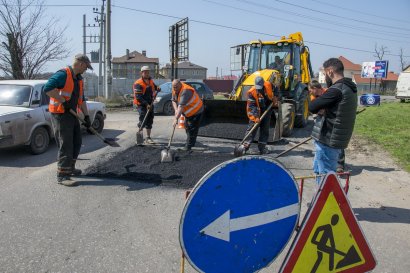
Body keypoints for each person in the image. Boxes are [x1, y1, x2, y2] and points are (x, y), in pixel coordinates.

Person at [45, 54, 93, 186]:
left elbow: (81, 99)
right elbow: (47, 88)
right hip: (60, 114)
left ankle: (70, 168)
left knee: (77, 141)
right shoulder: (63, 74)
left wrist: (87, 116)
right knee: (66, 144)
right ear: (81, 63)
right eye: (86, 67)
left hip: (72, 114)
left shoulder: (79, 79)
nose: (86, 69)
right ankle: (62, 175)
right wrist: (62, 101)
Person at [308, 58, 358, 183]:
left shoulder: (336, 90)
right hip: (335, 139)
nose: (325, 77)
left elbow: (312, 107)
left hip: (328, 140)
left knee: (326, 178)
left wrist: (322, 108)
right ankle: (320, 200)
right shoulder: (349, 87)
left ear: (330, 71)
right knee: (321, 173)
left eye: (325, 74)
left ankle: (324, 201)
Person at [243, 76, 276, 155]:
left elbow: (276, 89)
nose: (258, 88)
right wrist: (256, 117)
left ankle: (262, 147)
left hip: (267, 109)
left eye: (260, 87)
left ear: (263, 84)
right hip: (257, 111)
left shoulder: (268, 85)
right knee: (252, 128)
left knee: (265, 129)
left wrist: (276, 97)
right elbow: (252, 106)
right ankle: (245, 146)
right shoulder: (252, 92)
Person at [171, 79, 204, 152]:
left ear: (180, 84)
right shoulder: (174, 89)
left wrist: (176, 118)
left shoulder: (185, 91)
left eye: (176, 87)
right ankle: (191, 143)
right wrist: (176, 110)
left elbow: (181, 106)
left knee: (191, 128)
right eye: (173, 87)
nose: (174, 89)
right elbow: (173, 100)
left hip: (196, 110)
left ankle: (188, 146)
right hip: (188, 112)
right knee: (187, 127)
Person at [133, 66, 160, 145]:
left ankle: (148, 137)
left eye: (148, 72)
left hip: (150, 103)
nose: (147, 73)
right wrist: (146, 104)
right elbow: (138, 97)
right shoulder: (138, 83)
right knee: (143, 120)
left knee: (149, 120)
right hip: (141, 104)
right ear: (142, 73)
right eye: (145, 72)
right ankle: (140, 137)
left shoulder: (150, 80)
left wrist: (157, 88)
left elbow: (154, 87)